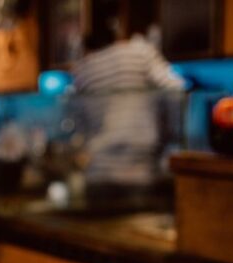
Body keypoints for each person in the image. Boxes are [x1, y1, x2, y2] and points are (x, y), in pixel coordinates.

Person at [71, 7, 184, 187]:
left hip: (98, 174)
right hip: (140, 170)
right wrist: (170, 140)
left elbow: (78, 128)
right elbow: (175, 90)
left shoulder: (83, 70)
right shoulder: (140, 52)